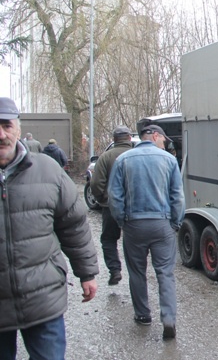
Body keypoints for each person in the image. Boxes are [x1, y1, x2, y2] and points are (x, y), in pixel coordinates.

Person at [0, 97, 99, 359]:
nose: (1, 134)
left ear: (18, 130)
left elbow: (74, 226)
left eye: (6, 125)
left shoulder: (47, 171)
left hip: (43, 299)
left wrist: (87, 273)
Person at [108, 124, 185, 340]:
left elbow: (115, 197)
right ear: (154, 136)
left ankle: (143, 315)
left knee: (137, 271)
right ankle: (169, 319)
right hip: (162, 224)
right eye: (164, 140)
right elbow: (177, 197)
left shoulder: (123, 160)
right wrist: (175, 223)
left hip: (134, 224)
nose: (165, 143)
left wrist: (122, 221)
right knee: (165, 273)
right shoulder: (169, 160)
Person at [90, 126, 134, 286]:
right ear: (129, 138)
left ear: (114, 140)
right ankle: (136, 273)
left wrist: (102, 198)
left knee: (108, 239)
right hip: (134, 208)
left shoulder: (106, 157)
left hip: (110, 207)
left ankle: (115, 270)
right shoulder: (137, 155)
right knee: (134, 241)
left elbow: (95, 183)